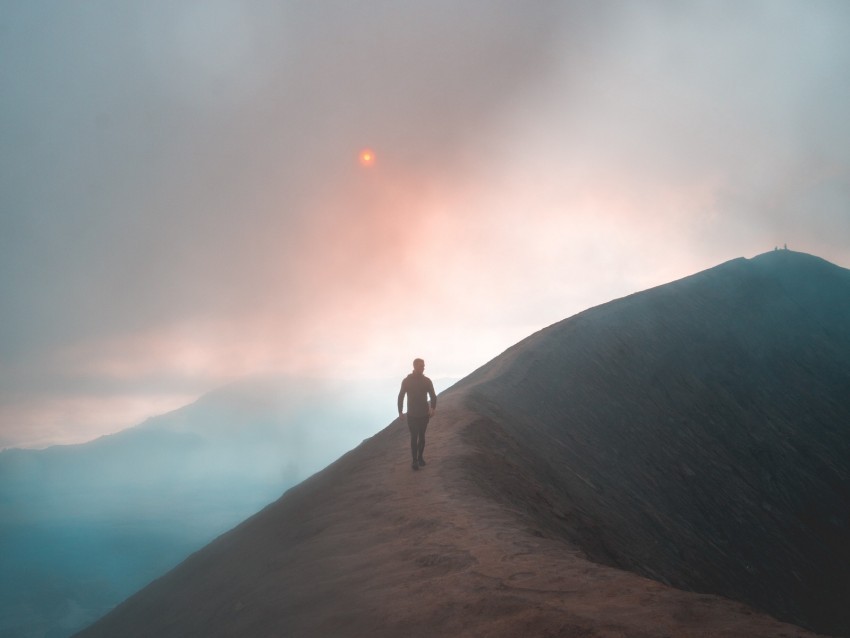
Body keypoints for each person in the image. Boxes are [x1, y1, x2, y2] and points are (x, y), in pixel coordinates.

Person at [397, 358, 437, 470]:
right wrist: (400, 411)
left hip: (424, 414)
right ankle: (414, 461)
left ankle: (420, 457)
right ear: (414, 366)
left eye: (423, 365)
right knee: (414, 437)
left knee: (422, 437)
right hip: (412, 415)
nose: (423, 367)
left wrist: (433, 408)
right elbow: (401, 396)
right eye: (421, 366)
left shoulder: (427, 381)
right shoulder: (406, 381)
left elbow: (433, 396)